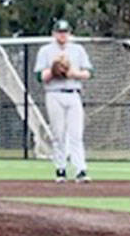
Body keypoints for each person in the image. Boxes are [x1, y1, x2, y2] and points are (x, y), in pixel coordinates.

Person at [34, 18, 93, 182]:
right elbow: (39, 76)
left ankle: (81, 170)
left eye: (65, 32)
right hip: (54, 93)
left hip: (74, 92)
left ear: (70, 33)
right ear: (54, 34)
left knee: (76, 133)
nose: (62, 35)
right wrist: (53, 71)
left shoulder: (78, 50)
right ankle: (60, 169)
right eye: (59, 32)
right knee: (58, 133)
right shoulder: (45, 50)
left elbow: (88, 72)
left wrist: (73, 73)